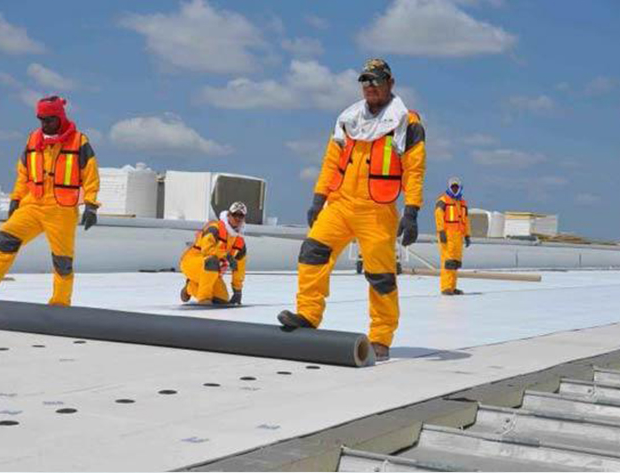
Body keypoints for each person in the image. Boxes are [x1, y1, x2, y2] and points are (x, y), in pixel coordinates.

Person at [277, 58, 426, 362]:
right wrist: (318, 198)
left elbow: (414, 170)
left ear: (390, 83)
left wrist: (411, 211)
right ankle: (308, 314)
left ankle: (381, 337)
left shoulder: (406, 122)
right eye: (366, 81)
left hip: (377, 210)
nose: (371, 86)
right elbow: (331, 162)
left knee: (380, 276)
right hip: (340, 204)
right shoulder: (348, 119)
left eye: (377, 81)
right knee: (312, 252)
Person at [0, 96, 100, 306]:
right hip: (32, 205)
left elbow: (90, 174)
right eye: (41, 120)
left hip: (61, 209)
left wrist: (91, 205)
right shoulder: (33, 139)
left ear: (60, 117)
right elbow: (24, 173)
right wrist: (16, 198)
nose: (45, 124)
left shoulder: (79, 141)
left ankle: (60, 304)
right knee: (4, 239)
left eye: (49, 120)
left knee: (62, 262)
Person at [179, 201, 248, 305]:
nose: (237, 218)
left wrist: (237, 291)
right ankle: (204, 299)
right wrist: (226, 255)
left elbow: (240, 268)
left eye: (241, 216)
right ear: (229, 215)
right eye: (235, 215)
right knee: (212, 261)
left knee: (222, 299)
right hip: (192, 263)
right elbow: (207, 249)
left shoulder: (239, 241)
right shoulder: (215, 228)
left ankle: (190, 287)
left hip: (211, 272)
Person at [435, 177, 471, 295]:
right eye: (453, 187)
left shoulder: (462, 203)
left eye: (456, 187)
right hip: (447, 235)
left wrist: (467, 235)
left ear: (460, 188)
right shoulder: (443, 200)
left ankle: (452, 287)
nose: (454, 189)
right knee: (448, 262)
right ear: (449, 187)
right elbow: (438, 216)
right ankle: (446, 287)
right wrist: (441, 231)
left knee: (455, 263)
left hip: (458, 237)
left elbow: (466, 220)